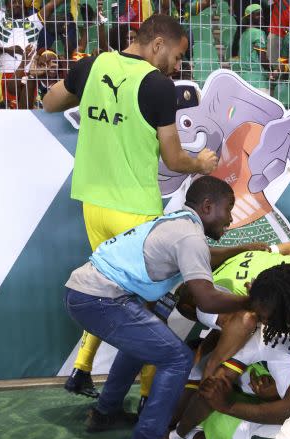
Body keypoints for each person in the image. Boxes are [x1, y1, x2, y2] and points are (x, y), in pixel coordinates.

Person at [43, 14, 219, 400]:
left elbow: (51, 100)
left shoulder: (91, 66)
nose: (177, 66)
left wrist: (91, 95)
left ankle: (82, 369)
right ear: (157, 44)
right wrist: (201, 164)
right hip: (135, 210)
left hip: (93, 203)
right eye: (177, 56)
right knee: (150, 309)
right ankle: (146, 398)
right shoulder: (158, 86)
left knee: (107, 285)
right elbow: (174, 160)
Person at [63, 176, 250, 439]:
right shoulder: (189, 236)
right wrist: (252, 301)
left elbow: (202, 255)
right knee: (177, 357)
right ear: (207, 206)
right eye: (228, 209)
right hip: (100, 299)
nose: (230, 218)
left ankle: (105, 413)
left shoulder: (178, 224)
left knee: (146, 342)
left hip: (86, 293)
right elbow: (206, 299)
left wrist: (246, 247)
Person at [233, 4, 270, 94]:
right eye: (257, 14)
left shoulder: (243, 35)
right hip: (258, 82)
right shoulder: (259, 33)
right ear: (249, 18)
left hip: (244, 80)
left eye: (262, 14)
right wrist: (272, 69)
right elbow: (263, 59)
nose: (261, 17)